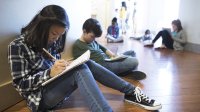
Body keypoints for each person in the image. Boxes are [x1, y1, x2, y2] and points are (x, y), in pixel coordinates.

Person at [8, 5, 162, 112]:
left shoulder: (51, 42)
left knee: (85, 63)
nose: (56, 39)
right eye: (54, 34)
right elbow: (20, 85)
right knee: (80, 70)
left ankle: (132, 92)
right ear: (41, 28)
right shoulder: (17, 46)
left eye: (60, 35)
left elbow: (54, 67)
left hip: (54, 86)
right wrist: (49, 73)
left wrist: (63, 66)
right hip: (39, 98)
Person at [72, 18, 146, 80]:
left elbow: (102, 48)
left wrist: (113, 55)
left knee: (132, 52)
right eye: (92, 36)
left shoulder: (91, 40)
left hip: (110, 60)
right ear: (84, 31)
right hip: (106, 66)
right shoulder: (78, 45)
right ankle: (127, 72)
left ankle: (125, 72)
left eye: (95, 37)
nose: (93, 39)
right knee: (135, 61)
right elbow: (79, 64)